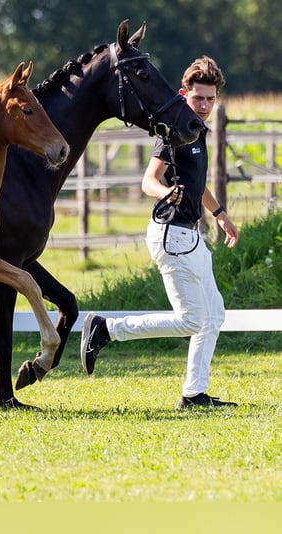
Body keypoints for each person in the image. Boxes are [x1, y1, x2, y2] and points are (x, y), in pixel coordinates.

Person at [80, 55, 240, 409]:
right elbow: (148, 180)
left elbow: (197, 184)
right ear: (184, 94)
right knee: (191, 320)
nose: (205, 106)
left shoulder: (197, 131)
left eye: (211, 99)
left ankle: (194, 394)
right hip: (171, 235)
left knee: (213, 315)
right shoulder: (172, 133)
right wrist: (165, 191)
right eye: (198, 98)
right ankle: (106, 329)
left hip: (191, 237)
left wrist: (220, 214)